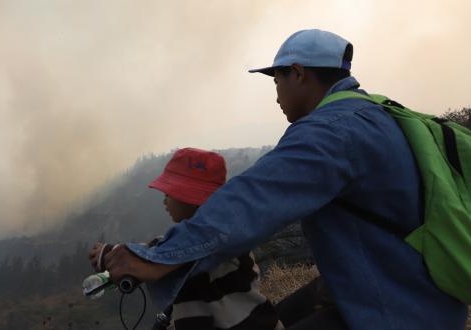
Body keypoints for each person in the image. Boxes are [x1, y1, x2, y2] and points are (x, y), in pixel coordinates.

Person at [100, 29, 468, 330]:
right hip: (423, 300)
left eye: (276, 79)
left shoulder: (329, 131)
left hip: (389, 312)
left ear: (298, 73)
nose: (276, 92)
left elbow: (252, 200)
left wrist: (158, 258)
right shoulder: (378, 115)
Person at [90, 148, 282, 330]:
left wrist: (112, 253)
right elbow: (166, 248)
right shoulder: (199, 239)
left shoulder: (211, 241)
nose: (164, 201)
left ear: (189, 197)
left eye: (168, 194)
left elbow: (163, 252)